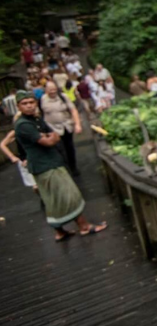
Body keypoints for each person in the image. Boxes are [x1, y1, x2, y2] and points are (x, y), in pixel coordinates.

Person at [13, 92, 107, 240]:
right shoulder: (23, 125)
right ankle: (84, 226)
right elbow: (49, 141)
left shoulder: (36, 119)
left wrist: (49, 136)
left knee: (53, 198)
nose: (29, 106)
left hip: (50, 161)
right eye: (25, 103)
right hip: (44, 165)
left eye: (31, 102)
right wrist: (48, 137)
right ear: (18, 106)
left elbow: (53, 134)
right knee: (69, 193)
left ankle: (60, 232)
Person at [39, 80, 82, 176]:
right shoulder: (42, 100)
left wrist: (77, 124)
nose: (52, 91)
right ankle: (64, 169)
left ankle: (73, 167)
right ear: (46, 90)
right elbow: (38, 113)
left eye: (54, 89)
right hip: (53, 129)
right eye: (50, 90)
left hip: (66, 126)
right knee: (59, 149)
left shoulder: (63, 97)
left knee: (69, 147)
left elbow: (73, 110)